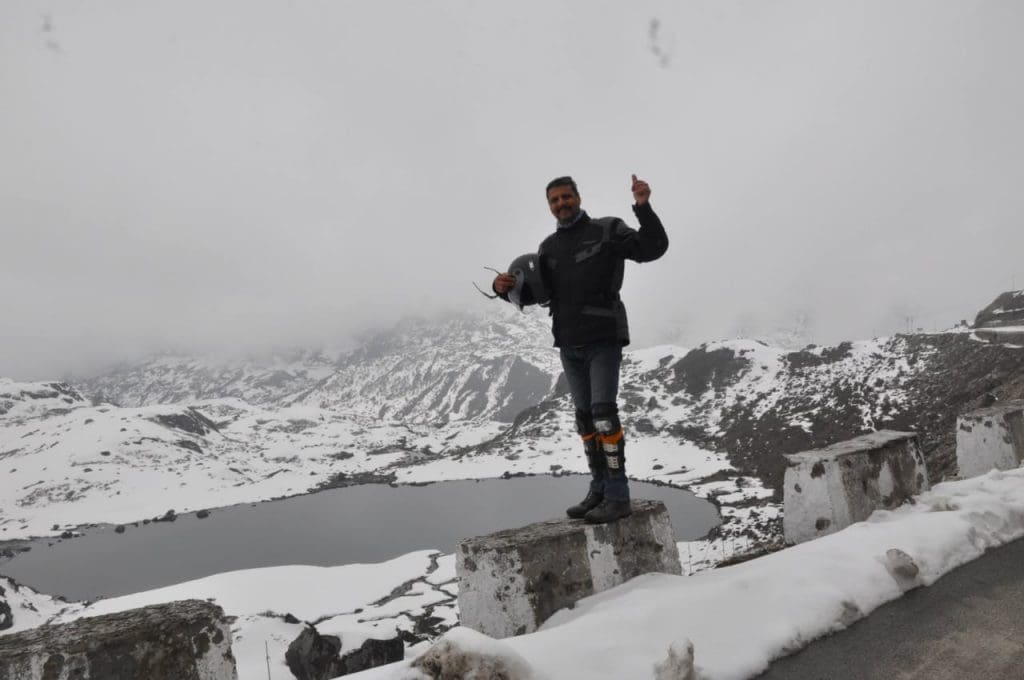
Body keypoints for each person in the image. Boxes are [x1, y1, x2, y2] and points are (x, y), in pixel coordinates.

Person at [493, 175, 668, 523]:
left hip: (603, 337)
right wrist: (503, 289)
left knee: (603, 413)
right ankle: (600, 488)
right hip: (568, 343)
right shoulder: (548, 249)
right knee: (586, 418)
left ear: (578, 197)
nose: (562, 204)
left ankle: (618, 495)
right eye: (555, 200)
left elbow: (652, 248)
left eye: (566, 197)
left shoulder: (606, 230)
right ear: (550, 206)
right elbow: (538, 295)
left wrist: (643, 206)